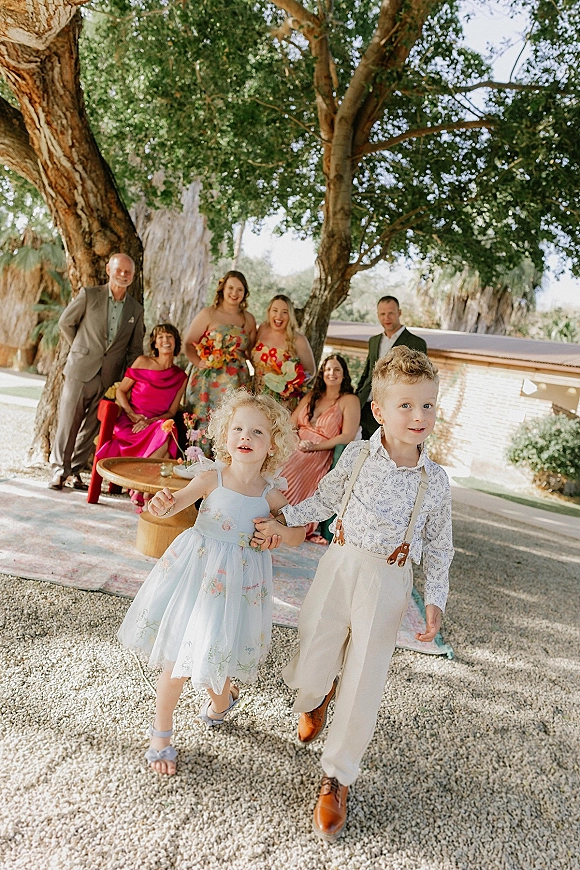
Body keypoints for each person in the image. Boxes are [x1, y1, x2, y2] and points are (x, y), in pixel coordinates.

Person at [254, 346, 454, 842]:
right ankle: (316, 695)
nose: (418, 416)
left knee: (366, 674)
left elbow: (441, 545)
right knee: (313, 652)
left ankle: (338, 774)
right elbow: (323, 499)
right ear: (380, 411)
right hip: (339, 564)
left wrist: (436, 599)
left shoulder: (435, 480)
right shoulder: (359, 453)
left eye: (427, 405)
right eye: (405, 406)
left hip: (388, 579)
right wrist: (284, 520)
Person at [117, 389, 303, 775]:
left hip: (237, 585)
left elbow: (298, 533)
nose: (245, 438)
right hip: (195, 576)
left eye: (257, 432)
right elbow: (176, 501)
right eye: (238, 429)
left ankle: (222, 701)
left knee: (216, 656)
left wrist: (277, 531)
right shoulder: (211, 477)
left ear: (273, 444)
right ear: (225, 434)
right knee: (177, 657)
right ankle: (161, 735)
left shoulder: (271, 494)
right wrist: (160, 503)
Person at [49, 253, 145, 490]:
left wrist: (126, 380)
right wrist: (81, 348)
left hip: (109, 378)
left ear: (133, 276)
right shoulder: (89, 295)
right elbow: (65, 323)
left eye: (128, 272)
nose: (123, 275)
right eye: (119, 270)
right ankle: (59, 470)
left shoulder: (136, 309)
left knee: (92, 426)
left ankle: (75, 472)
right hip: (80, 370)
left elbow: (134, 350)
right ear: (108, 270)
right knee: (68, 421)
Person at [281, 354, 360, 543]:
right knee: (276, 456)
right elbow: (291, 424)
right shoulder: (311, 396)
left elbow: (347, 435)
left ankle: (287, 517)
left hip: (320, 451)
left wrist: (315, 446)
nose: (331, 373)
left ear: (344, 374)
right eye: (328, 369)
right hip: (296, 443)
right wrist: (296, 442)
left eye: (337, 369)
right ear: (323, 373)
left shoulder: (350, 400)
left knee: (291, 464)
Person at [184, 271, 256, 455]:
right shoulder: (208, 314)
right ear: (222, 289)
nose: (234, 293)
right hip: (207, 380)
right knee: (204, 421)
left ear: (245, 293)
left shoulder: (248, 319)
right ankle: (197, 462)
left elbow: (251, 351)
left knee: (232, 420)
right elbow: (188, 343)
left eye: (239, 289)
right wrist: (198, 362)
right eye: (231, 288)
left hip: (236, 380)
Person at [96, 323, 187, 458]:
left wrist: (150, 422)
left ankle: (138, 474)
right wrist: (131, 413)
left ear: (176, 342)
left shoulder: (181, 376)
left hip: (155, 424)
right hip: (130, 422)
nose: (165, 341)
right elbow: (120, 391)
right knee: (165, 451)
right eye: (160, 337)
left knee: (167, 428)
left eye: (169, 337)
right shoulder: (142, 361)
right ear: (155, 344)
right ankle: (144, 475)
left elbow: (172, 412)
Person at [356, 295, 427, 439]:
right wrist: (357, 397)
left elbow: (418, 379)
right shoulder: (374, 341)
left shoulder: (416, 342)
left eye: (390, 313)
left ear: (399, 313)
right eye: (382, 314)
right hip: (367, 405)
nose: (386, 317)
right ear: (377, 315)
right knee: (367, 449)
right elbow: (367, 372)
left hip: (393, 407)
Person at [251, 294, 315, 411]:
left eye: (284, 312)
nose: (278, 316)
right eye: (275, 310)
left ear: (290, 315)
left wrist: (291, 387)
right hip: (256, 394)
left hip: (281, 402)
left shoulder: (298, 340)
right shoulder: (262, 329)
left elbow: (310, 371)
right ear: (269, 312)